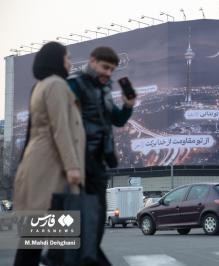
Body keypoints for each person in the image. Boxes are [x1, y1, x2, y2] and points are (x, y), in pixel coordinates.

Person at [13, 42, 85, 266]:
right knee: (48, 239)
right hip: (51, 170)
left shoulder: (41, 85)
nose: (70, 62)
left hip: (42, 168)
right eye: (67, 58)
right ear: (56, 59)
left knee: (39, 239)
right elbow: (60, 127)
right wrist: (73, 166)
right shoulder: (56, 84)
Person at [67, 46, 135, 266]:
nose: (108, 73)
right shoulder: (74, 84)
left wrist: (127, 106)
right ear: (92, 61)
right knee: (75, 221)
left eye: (112, 70)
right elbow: (63, 123)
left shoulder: (104, 90)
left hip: (98, 163)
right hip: (78, 161)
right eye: (105, 67)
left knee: (96, 222)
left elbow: (117, 120)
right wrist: (71, 163)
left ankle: (83, 258)